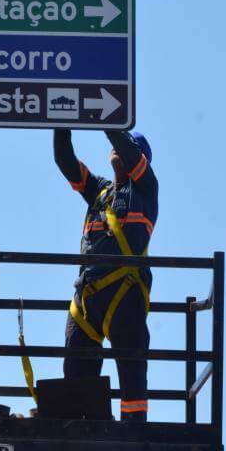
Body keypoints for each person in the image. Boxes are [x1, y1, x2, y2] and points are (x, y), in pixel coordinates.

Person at [53, 128, 158, 422]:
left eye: (128, 149)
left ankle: (133, 435)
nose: (118, 151)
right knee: (75, 377)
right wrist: (61, 122)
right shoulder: (98, 191)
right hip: (86, 298)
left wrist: (109, 120)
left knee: (132, 374)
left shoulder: (146, 190)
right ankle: (82, 431)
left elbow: (126, 148)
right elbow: (65, 160)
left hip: (125, 294)